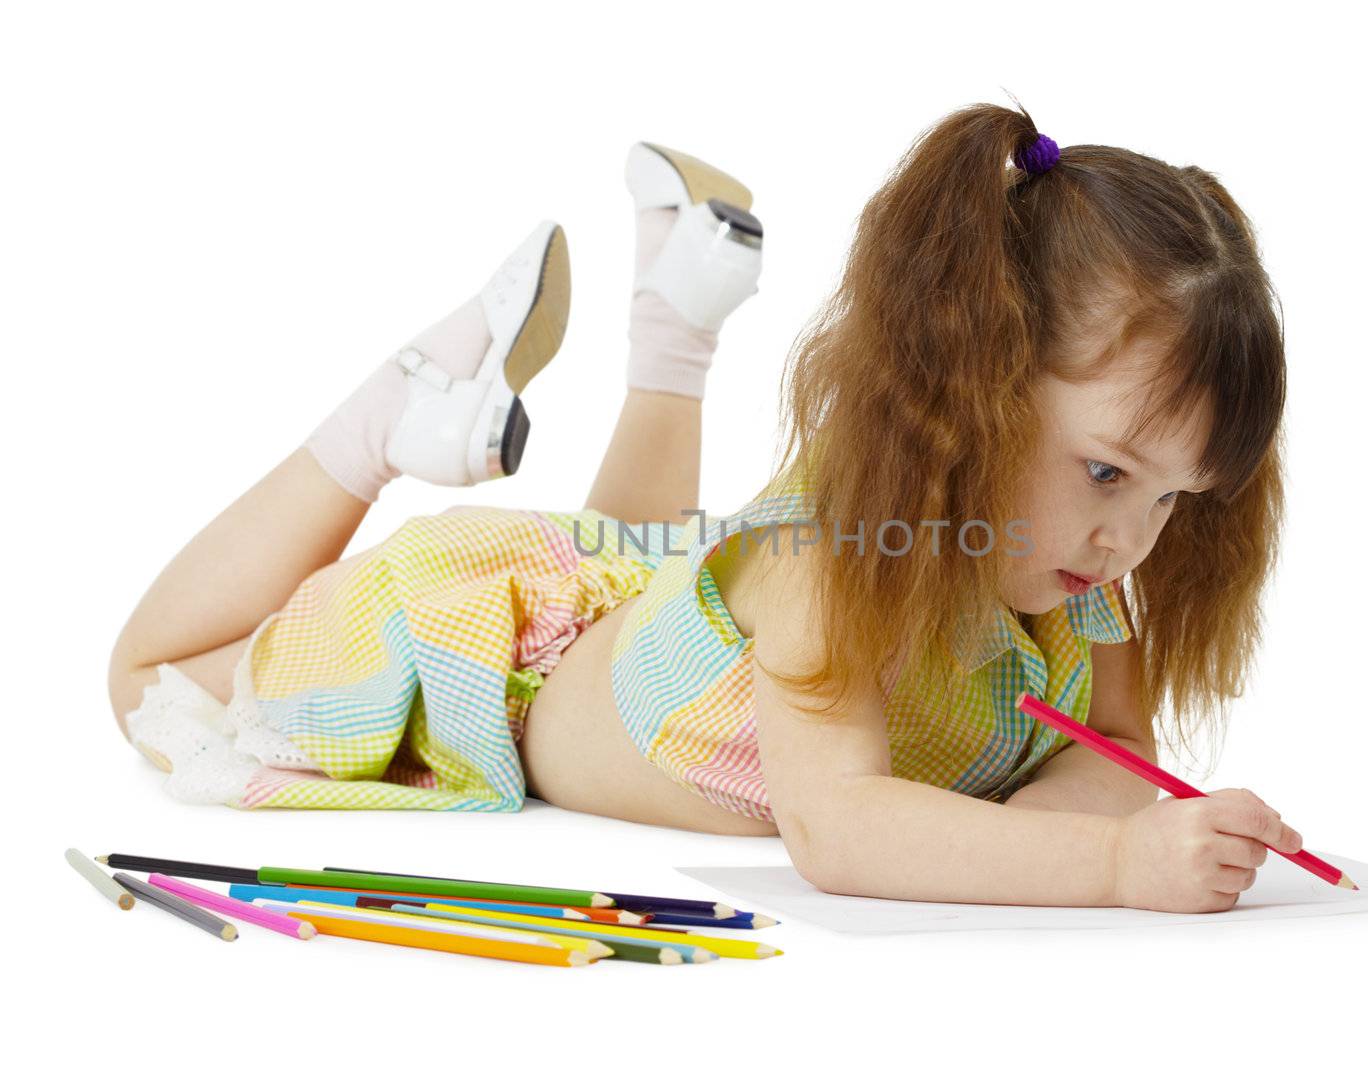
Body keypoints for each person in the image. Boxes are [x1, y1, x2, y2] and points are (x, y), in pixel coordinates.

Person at [109, 102, 1303, 914]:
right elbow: (838, 827)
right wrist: (1106, 864)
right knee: (150, 682)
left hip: (631, 617)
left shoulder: (1090, 575)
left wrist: (1071, 825)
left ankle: (680, 314)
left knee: (636, 560)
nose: (1133, 537)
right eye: (1106, 472)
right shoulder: (835, 560)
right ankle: (387, 423)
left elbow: (1126, 751)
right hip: (487, 647)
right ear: (972, 390)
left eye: (1174, 495)